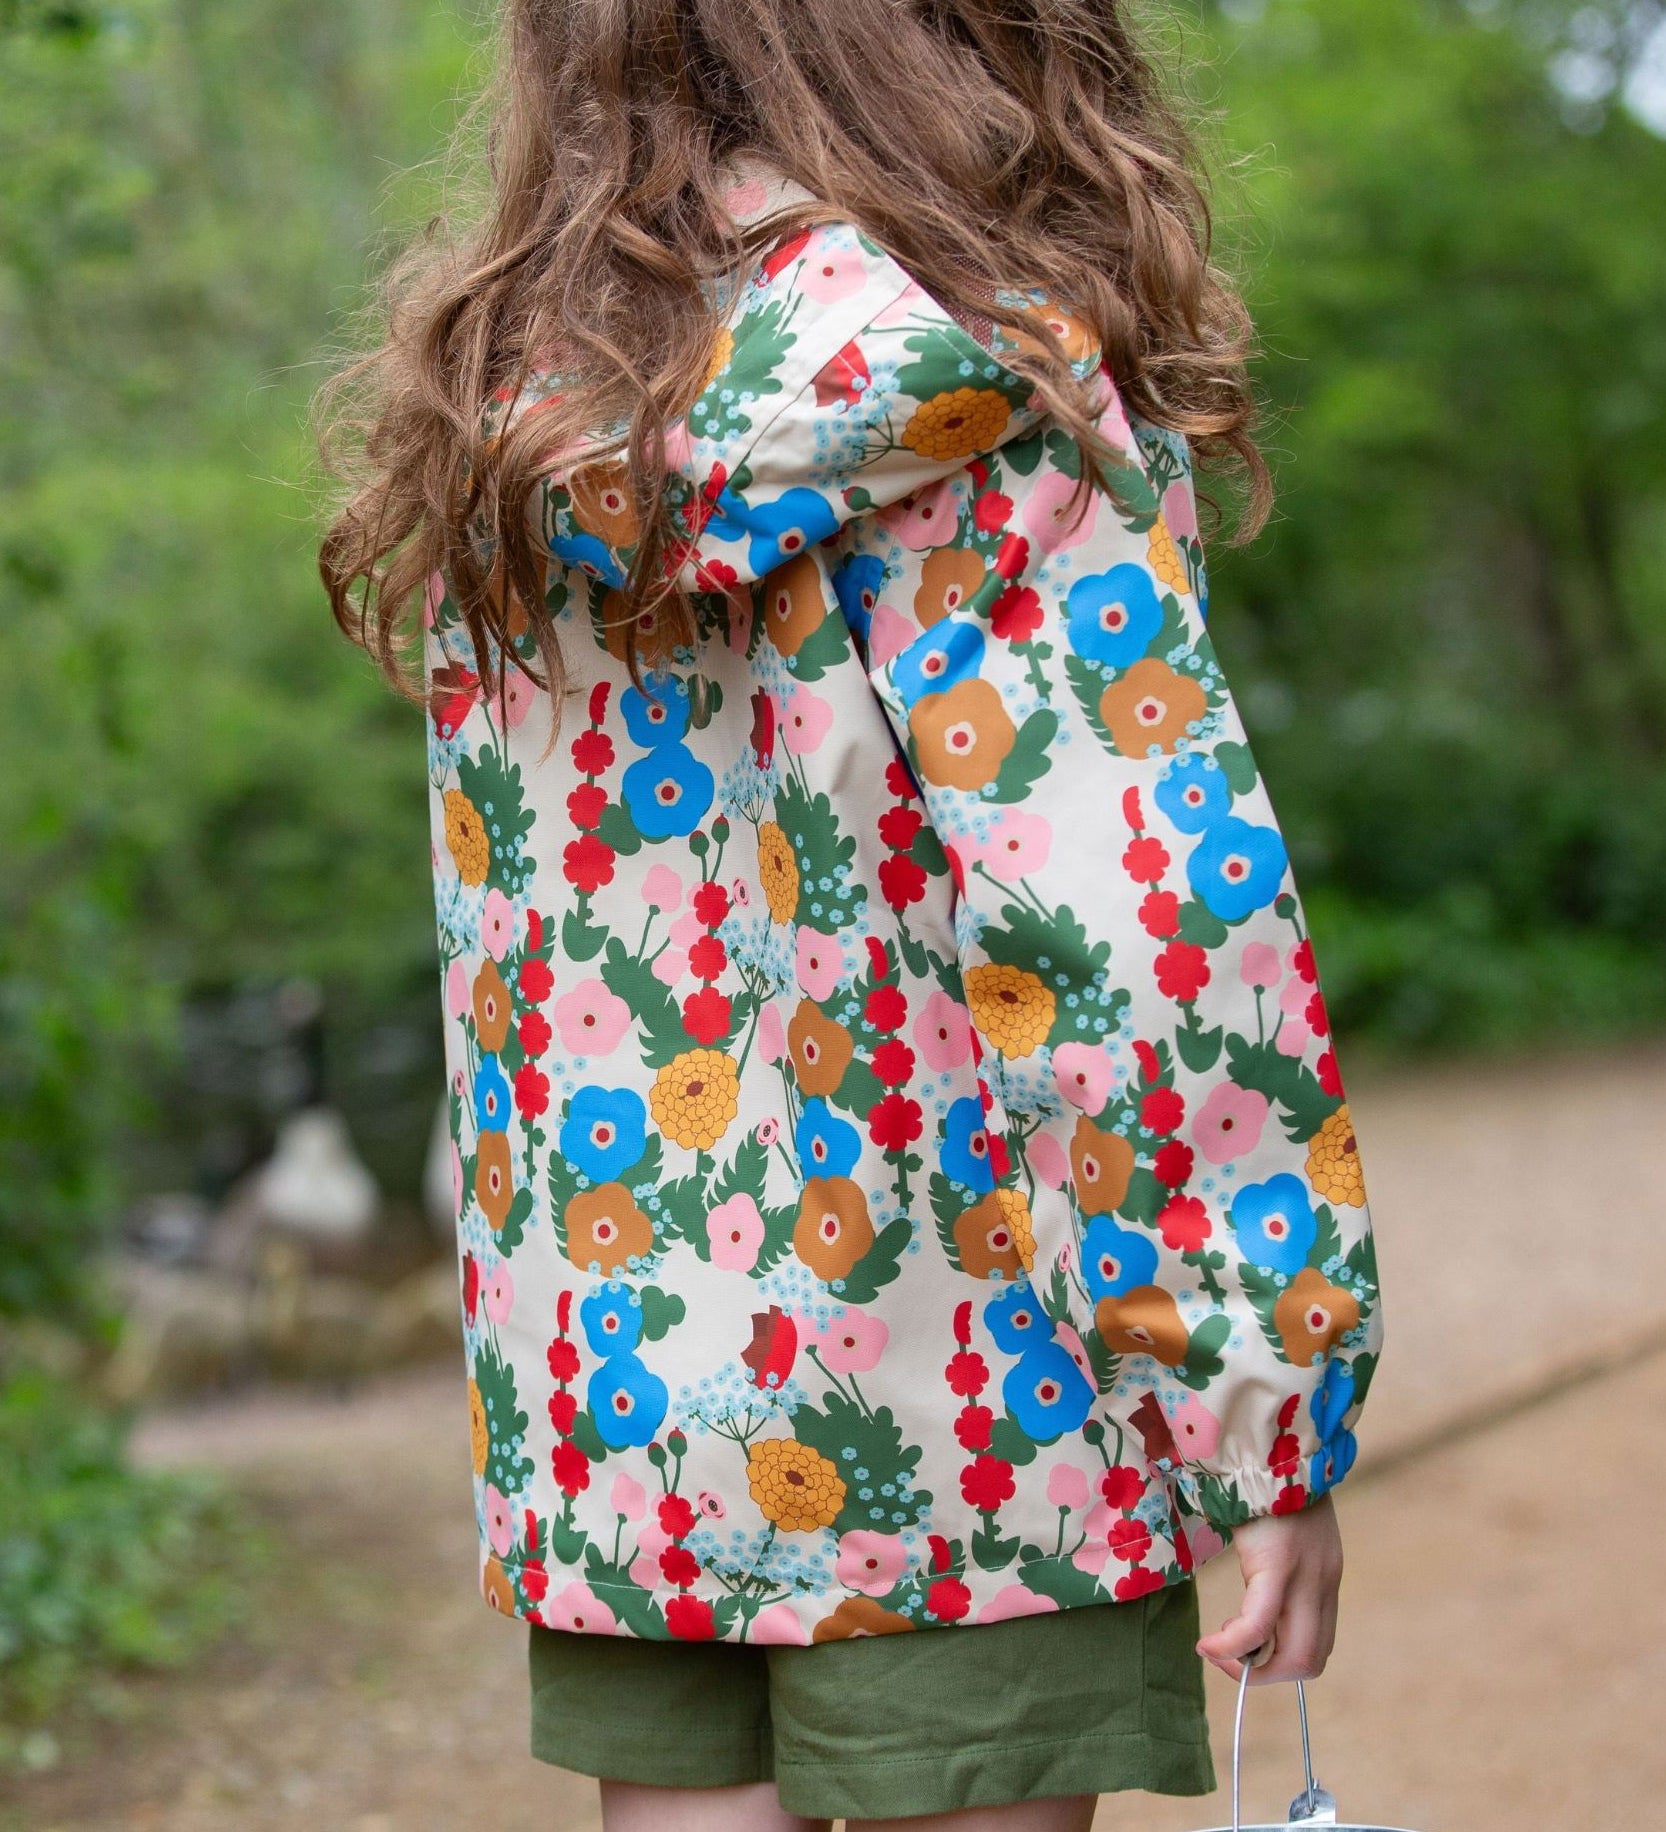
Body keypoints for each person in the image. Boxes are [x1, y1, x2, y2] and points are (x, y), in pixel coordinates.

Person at [315, 4, 1383, 1828]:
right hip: (980, 1401)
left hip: (633, 1411)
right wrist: (1260, 1387)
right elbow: (1132, 920)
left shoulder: (508, 412)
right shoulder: (991, 385)